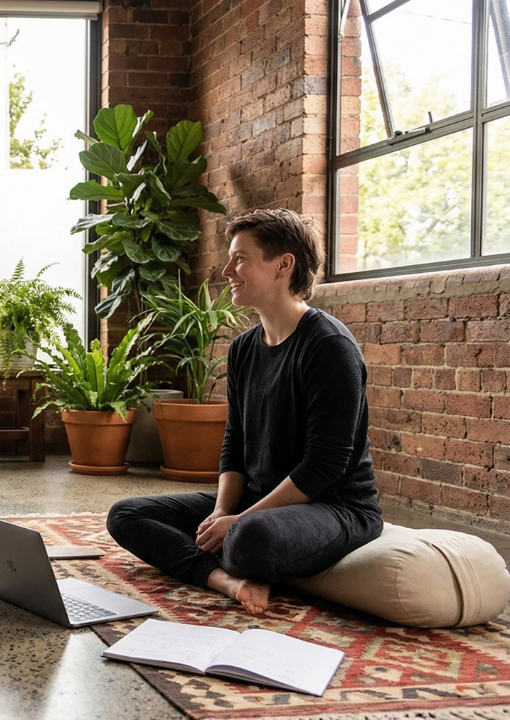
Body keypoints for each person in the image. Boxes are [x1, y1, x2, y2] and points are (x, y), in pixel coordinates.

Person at [106, 208, 383, 614]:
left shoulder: (329, 347)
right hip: (258, 500)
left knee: (247, 540)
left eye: (240, 258)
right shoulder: (244, 348)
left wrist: (238, 522)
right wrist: (222, 511)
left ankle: (232, 554)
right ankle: (224, 580)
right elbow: (235, 441)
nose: (226, 270)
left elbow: (325, 465)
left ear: (283, 265)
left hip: (335, 507)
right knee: (125, 515)